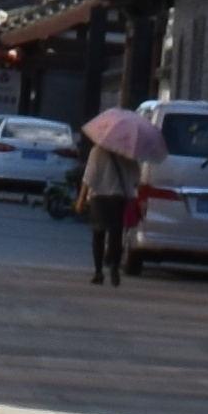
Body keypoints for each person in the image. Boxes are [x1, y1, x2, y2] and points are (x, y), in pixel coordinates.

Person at [75, 107, 138, 288]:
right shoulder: (128, 154)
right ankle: (114, 268)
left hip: (99, 198)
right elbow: (135, 178)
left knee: (98, 234)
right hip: (119, 198)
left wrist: (81, 199)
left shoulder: (97, 151)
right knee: (116, 235)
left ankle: (98, 272)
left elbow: (89, 177)